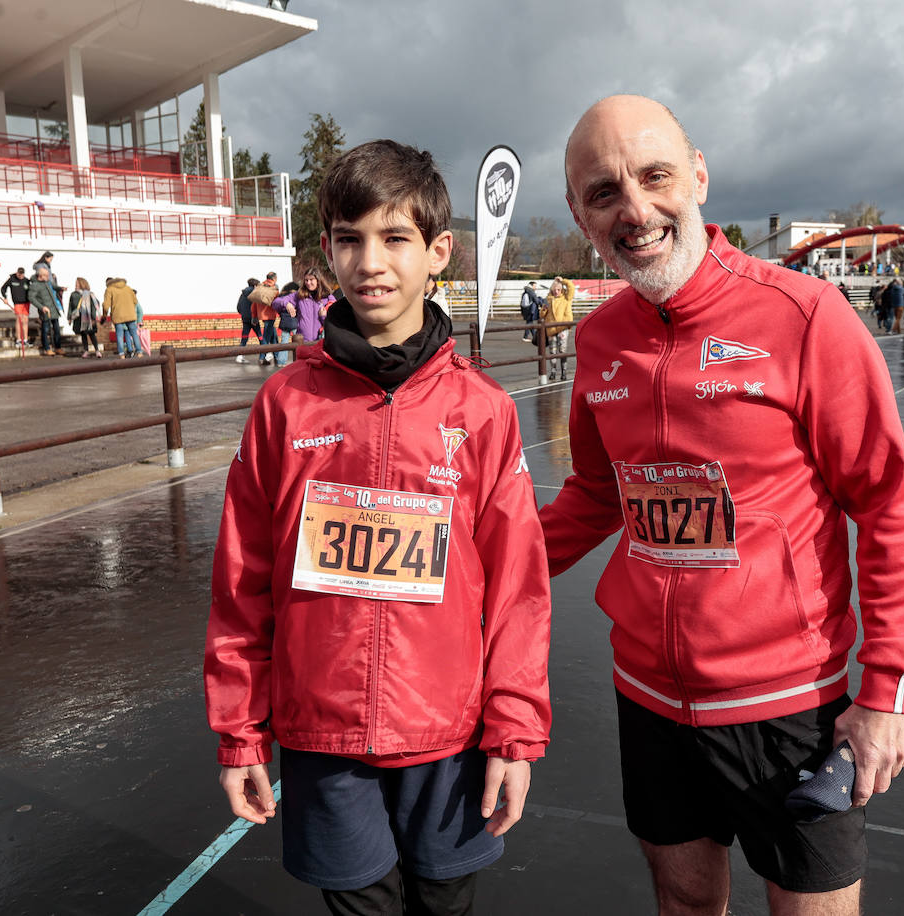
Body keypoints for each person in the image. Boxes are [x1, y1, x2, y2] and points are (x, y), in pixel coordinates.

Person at [539, 95, 904, 915]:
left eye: (655, 177)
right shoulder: (601, 338)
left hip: (790, 705)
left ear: (700, 178)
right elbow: (595, 494)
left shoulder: (804, 316)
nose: (636, 209)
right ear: (579, 214)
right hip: (647, 698)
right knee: (683, 901)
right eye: (605, 192)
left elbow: (888, 506)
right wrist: (471, 563)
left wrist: (886, 688)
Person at [205, 139, 551, 916]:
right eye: (350, 239)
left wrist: (514, 732)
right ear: (325, 251)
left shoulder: (483, 412)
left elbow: (520, 590)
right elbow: (241, 582)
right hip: (324, 737)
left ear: (438, 254)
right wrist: (240, 732)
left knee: (444, 905)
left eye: (395, 239)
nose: (372, 262)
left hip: (450, 734)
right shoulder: (285, 404)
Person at [275, 267, 334, 346]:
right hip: (303, 342)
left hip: (321, 343)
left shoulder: (328, 297)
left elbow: (334, 322)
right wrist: (287, 304)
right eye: (306, 280)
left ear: (318, 280)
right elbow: (275, 302)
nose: (308, 283)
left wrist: (324, 316)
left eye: (311, 279)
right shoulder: (299, 295)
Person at [541, 276, 575, 381]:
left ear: (561, 289)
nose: (556, 291)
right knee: (552, 351)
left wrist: (562, 280)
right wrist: (543, 310)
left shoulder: (566, 298)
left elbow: (571, 287)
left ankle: (564, 372)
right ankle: (553, 371)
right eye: (554, 290)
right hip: (551, 328)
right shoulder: (548, 299)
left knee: (562, 350)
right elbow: (542, 315)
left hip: (563, 327)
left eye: (558, 289)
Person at [102, 277, 141, 358]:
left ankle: (122, 354)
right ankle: (139, 352)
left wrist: (104, 315)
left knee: (119, 335)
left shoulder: (109, 289)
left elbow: (106, 305)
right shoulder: (128, 288)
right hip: (130, 315)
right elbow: (135, 301)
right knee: (134, 334)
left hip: (118, 315)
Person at [249, 272, 281, 365]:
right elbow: (278, 303)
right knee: (266, 338)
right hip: (271, 316)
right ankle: (262, 358)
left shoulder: (259, 288)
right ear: (274, 279)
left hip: (261, 315)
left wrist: (254, 316)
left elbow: (254, 304)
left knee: (273, 337)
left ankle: (277, 356)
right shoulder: (274, 289)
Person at [28, 265, 61, 355]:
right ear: (40, 276)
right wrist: (41, 307)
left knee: (57, 330)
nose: (48, 277)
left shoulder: (47, 282)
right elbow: (31, 298)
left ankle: (58, 347)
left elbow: (55, 287)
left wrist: (61, 288)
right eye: (46, 275)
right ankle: (47, 348)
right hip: (45, 311)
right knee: (45, 330)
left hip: (54, 309)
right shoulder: (34, 285)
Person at [0, 266, 32, 351]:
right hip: (17, 303)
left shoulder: (26, 281)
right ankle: (18, 339)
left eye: (22, 274)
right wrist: (5, 297)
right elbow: (3, 288)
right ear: (17, 273)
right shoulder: (12, 279)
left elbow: (31, 290)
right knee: (19, 319)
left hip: (26, 303)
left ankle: (25, 339)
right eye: (19, 274)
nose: (20, 276)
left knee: (25, 320)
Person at [69, 277, 102, 358]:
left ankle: (97, 350)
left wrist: (94, 318)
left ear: (82, 284)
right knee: (83, 335)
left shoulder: (90, 294)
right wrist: (69, 317)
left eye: (77, 283)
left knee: (92, 334)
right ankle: (86, 351)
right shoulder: (73, 294)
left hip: (89, 317)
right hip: (79, 318)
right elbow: (70, 306)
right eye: (75, 283)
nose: (76, 285)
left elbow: (95, 305)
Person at [234, 277, 263, 363]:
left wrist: (243, 314)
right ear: (255, 285)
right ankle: (265, 354)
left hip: (245, 318)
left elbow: (238, 306)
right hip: (253, 318)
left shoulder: (243, 294)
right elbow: (258, 305)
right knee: (260, 336)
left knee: (244, 337)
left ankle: (239, 356)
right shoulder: (255, 293)